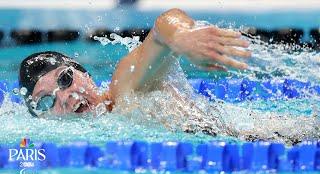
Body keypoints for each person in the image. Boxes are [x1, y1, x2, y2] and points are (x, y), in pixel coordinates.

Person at [19, 8, 250, 117]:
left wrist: (181, 37)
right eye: (46, 101)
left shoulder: (124, 90)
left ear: (85, 74)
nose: (66, 97)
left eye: (65, 79)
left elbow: (162, 28)